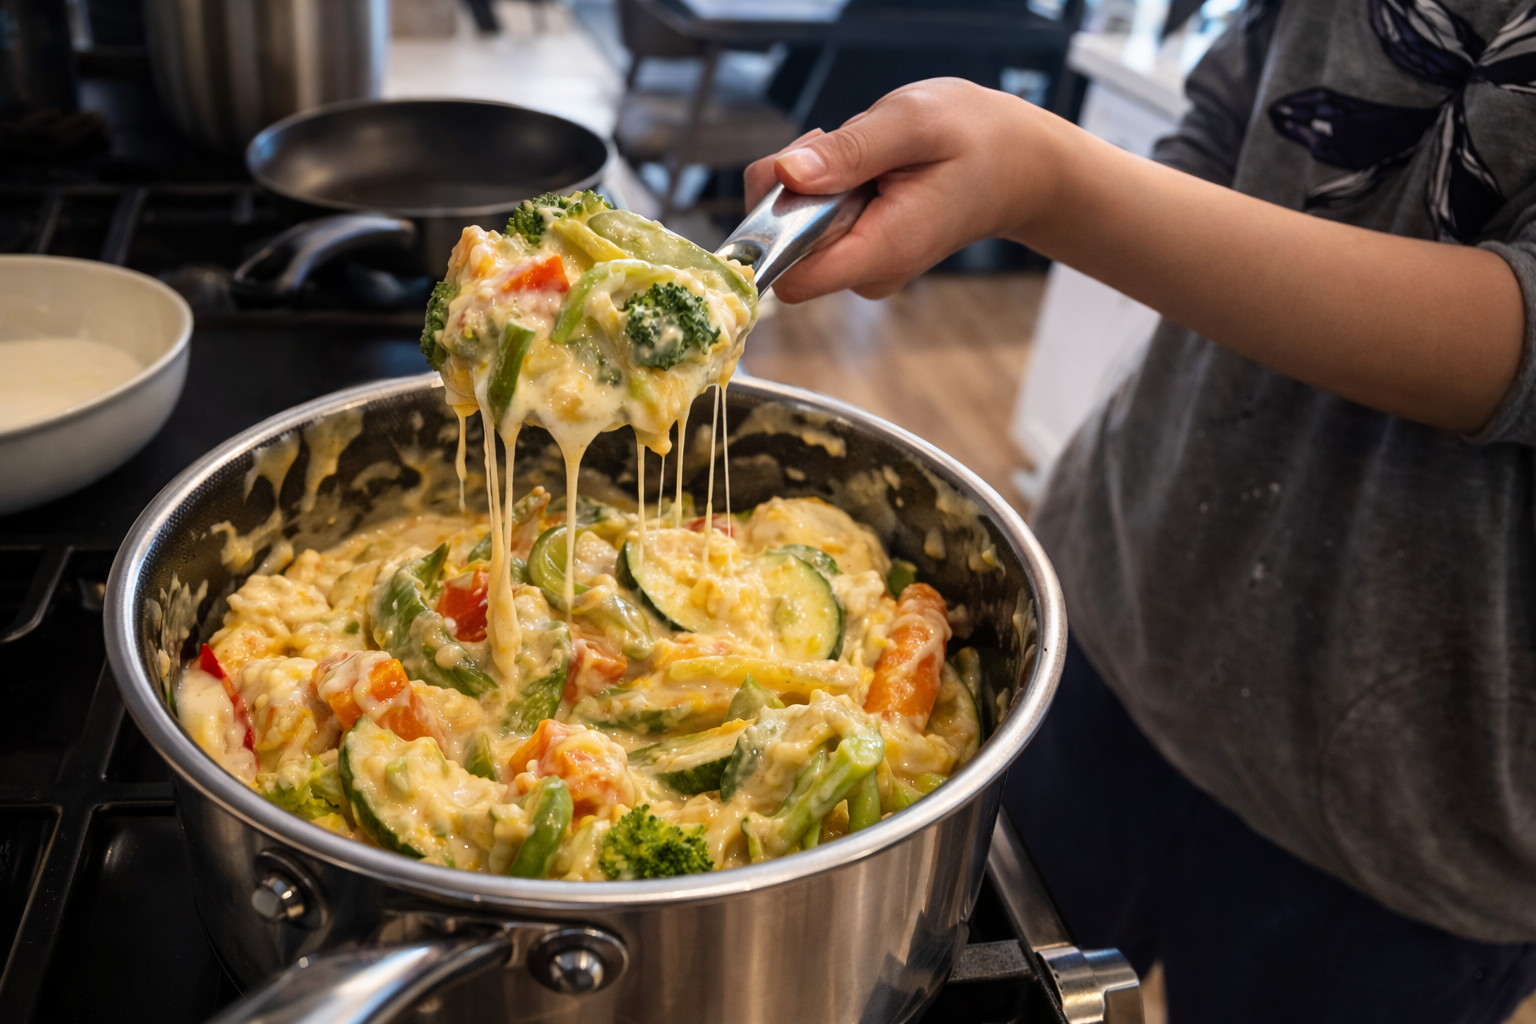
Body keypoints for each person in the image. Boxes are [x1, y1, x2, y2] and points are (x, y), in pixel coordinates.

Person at [744, 0, 1536, 1019]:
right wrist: (998, 178)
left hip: (1425, 795)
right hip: (1122, 612)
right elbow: (1230, 120)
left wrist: (1044, 180)